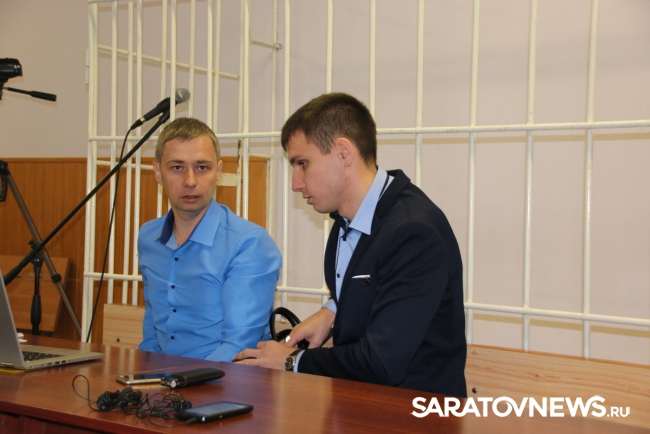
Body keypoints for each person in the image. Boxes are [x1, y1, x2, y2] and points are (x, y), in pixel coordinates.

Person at [233, 93, 467, 397]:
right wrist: (333, 309)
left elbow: (382, 362)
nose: (295, 183)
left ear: (343, 153)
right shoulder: (349, 215)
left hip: (414, 412)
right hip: (359, 403)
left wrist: (292, 360)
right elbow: (378, 281)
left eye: (302, 163)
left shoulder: (413, 232)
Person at [138, 117, 282, 362]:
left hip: (225, 380)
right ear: (158, 173)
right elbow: (153, 327)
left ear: (219, 172)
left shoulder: (249, 244)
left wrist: (181, 383)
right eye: (177, 168)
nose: (190, 181)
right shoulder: (148, 237)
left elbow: (238, 345)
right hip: (162, 379)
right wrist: (142, 375)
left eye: (202, 167)